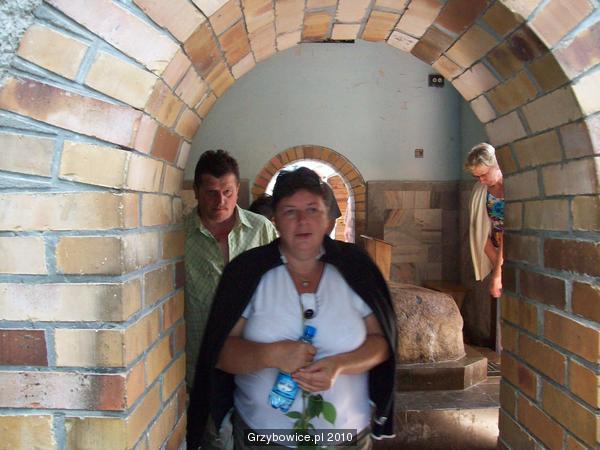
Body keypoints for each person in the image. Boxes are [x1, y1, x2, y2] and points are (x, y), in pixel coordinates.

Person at [187, 167, 396, 450]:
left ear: (327, 217)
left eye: (312, 209)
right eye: (290, 211)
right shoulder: (247, 271)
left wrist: (339, 365)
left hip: (348, 439)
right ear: (275, 220)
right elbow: (220, 354)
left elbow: (382, 342)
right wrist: (271, 354)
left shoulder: (356, 267)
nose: (302, 220)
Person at [184, 149, 278, 389]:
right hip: (200, 358)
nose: (220, 202)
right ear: (196, 191)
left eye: (227, 192)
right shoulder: (179, 235)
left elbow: (281, 281)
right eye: (211, 193)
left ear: (237, 189)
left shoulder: (261, 229)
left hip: (254, 356)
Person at [465, 143, 504, 299]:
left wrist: (498, 271)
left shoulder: (513, 188)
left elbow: (511, 231)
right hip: (493, 252)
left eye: (484, 174)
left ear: (497, 165)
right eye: (477, 177)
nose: (481, 181)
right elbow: (478, 230)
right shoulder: (480, 191)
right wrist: (496, 264)